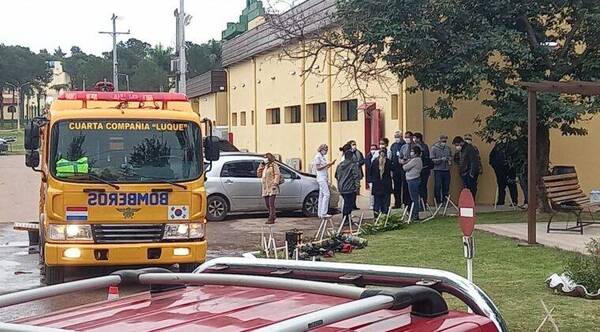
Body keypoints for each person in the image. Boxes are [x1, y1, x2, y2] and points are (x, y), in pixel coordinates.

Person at [489, 141, 518, 206]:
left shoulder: (512, 145)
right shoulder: (497, 146)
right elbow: (491, 157)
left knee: (511, 185)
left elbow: (514, 159)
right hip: (499, 170)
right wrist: (494, 165)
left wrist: (511, 166)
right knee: (501, 185)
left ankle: (514, 201)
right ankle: (501, 201)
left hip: (510, 170)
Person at [335, 150, 361, 223]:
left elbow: (336, 176)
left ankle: (346, 218)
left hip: (341, 188)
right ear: (351, 157)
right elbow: (356, 176)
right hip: (350, 188)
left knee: (346, 203)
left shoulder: (339, 165)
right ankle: (346, 219)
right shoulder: (352, 165)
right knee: (349, 204)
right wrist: (357, 187)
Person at [257, 153, 282, 224]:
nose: (265, 159)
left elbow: (277, 175)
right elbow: (259, 175)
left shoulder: (274, 165)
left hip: (272, 187)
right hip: (265, 187)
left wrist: (275, 183)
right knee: (267, 204)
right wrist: (261, 166)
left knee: (271, 203)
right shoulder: (264, 166)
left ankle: (271, 218)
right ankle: (273, 215)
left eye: (266, 158)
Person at [313, 144, 336, 219]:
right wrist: (327, 165)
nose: (326, 151)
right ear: (321, 149)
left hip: (324, 177)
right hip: (321, 178)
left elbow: (324, 168)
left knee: (322, 195)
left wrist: (330, 165)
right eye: (325, 150)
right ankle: (324, 212)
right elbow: (318, 168)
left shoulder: (322, 157)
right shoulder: (317, 157)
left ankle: (320, 213)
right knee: (327, 194)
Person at [370, 147, 393, 215]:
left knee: (377, 202)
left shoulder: (374, 162)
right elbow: (392, 169)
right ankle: (384, 216)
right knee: (385, 202)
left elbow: (371, 173)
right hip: (386, 185)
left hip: (377, 185)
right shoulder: (388, 161)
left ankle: (376, 216)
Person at [402, 145, 423, 220]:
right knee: (414, 198)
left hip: (413, 180)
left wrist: (405, 162)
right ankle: (414, 214)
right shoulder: (416, 160)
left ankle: (415, 215)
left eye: (412, 151)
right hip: (412, 179)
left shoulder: (416, 160)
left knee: (414, 198)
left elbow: (405, 167)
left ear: (416, 153)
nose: (411, 153)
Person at [430, 134, 453, 205]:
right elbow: (432, 160)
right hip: (438, 170)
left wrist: (449, 159)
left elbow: (451, 156)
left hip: (446, 170)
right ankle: (438, 201)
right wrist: (440, 159)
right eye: (443, 141)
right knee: (438, 186)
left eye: (445, 141)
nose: (444, 142)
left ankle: (445, 201)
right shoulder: (434, 148)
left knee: (446, 186)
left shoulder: (448, 148)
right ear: (439, 140)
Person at [413, 132, 432, 205]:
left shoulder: (424, 146)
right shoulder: (413, 146)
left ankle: (423, 203)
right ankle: (417, 203)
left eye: (415, 138)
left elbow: (425, 157)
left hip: (424, 169)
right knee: (416, 187)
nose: (414, 139)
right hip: (416, 170)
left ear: (418, 139)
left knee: (423, 187)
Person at [389, 131, 405, 209]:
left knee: (405, 186)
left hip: (403, 168)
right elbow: (391, 156)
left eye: (398, 136)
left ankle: (405, 203)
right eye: (395, 136)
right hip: (395, 169)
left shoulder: (405, 145)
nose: (397, 138)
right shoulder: (393, 146)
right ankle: (397, 203)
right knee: (396, 187)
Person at [399, 131, 414, 206]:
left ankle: (412, 203)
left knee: (411, 187)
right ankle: (405, 203)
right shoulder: (403, 147)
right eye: (406, 137)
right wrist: (402, 161)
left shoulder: (416, 146)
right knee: (404, 186)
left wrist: (409, 161)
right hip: (404, 168)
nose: (407, 139)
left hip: (413, 169)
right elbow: (400, 157)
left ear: (411, 137)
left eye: (408, 137)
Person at [348, 140, 365, 209]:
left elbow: (363, 160)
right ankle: (351, 204)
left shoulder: (359, 153)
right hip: (351, 174)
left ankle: (354, 205)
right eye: (353, 144)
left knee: (356, 190)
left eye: (355, 144)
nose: (354, 146)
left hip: (358, 173)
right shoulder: (348, 153)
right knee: (351, 190)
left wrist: (359, 163)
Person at [364, 144, 378, 209]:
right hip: (371, 177)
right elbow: (368, 168)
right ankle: (372, 204)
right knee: (372, 191)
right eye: (372, 149)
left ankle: (377, 204)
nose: (373, 150)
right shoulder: (367, 157)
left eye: (374, 149)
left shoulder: (378, 156)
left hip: (377, 178)